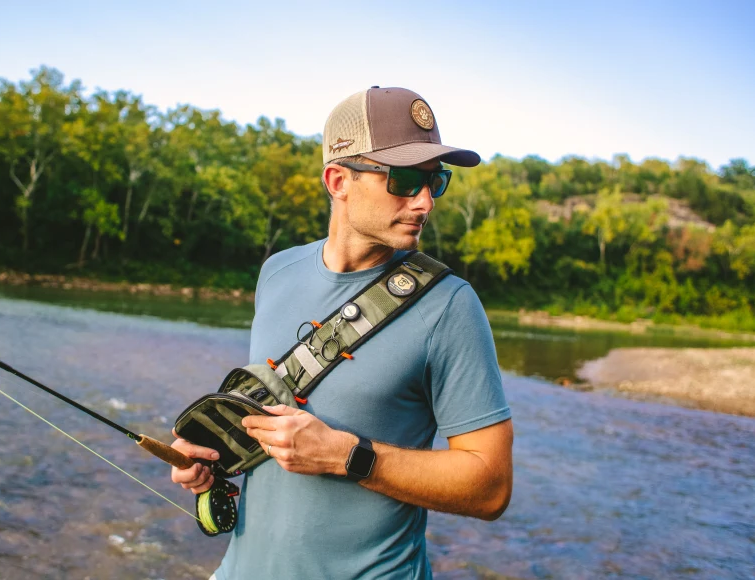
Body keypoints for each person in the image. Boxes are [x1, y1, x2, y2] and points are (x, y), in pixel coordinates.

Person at [171, 87, 513, 580]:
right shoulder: (277, 271)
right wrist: (207, 458)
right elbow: (272, 422)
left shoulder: (451, 306)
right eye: (404, 180)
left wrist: (349, 457)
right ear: (338, 180)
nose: (423, 202)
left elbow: (491, 487)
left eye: (435, 182)